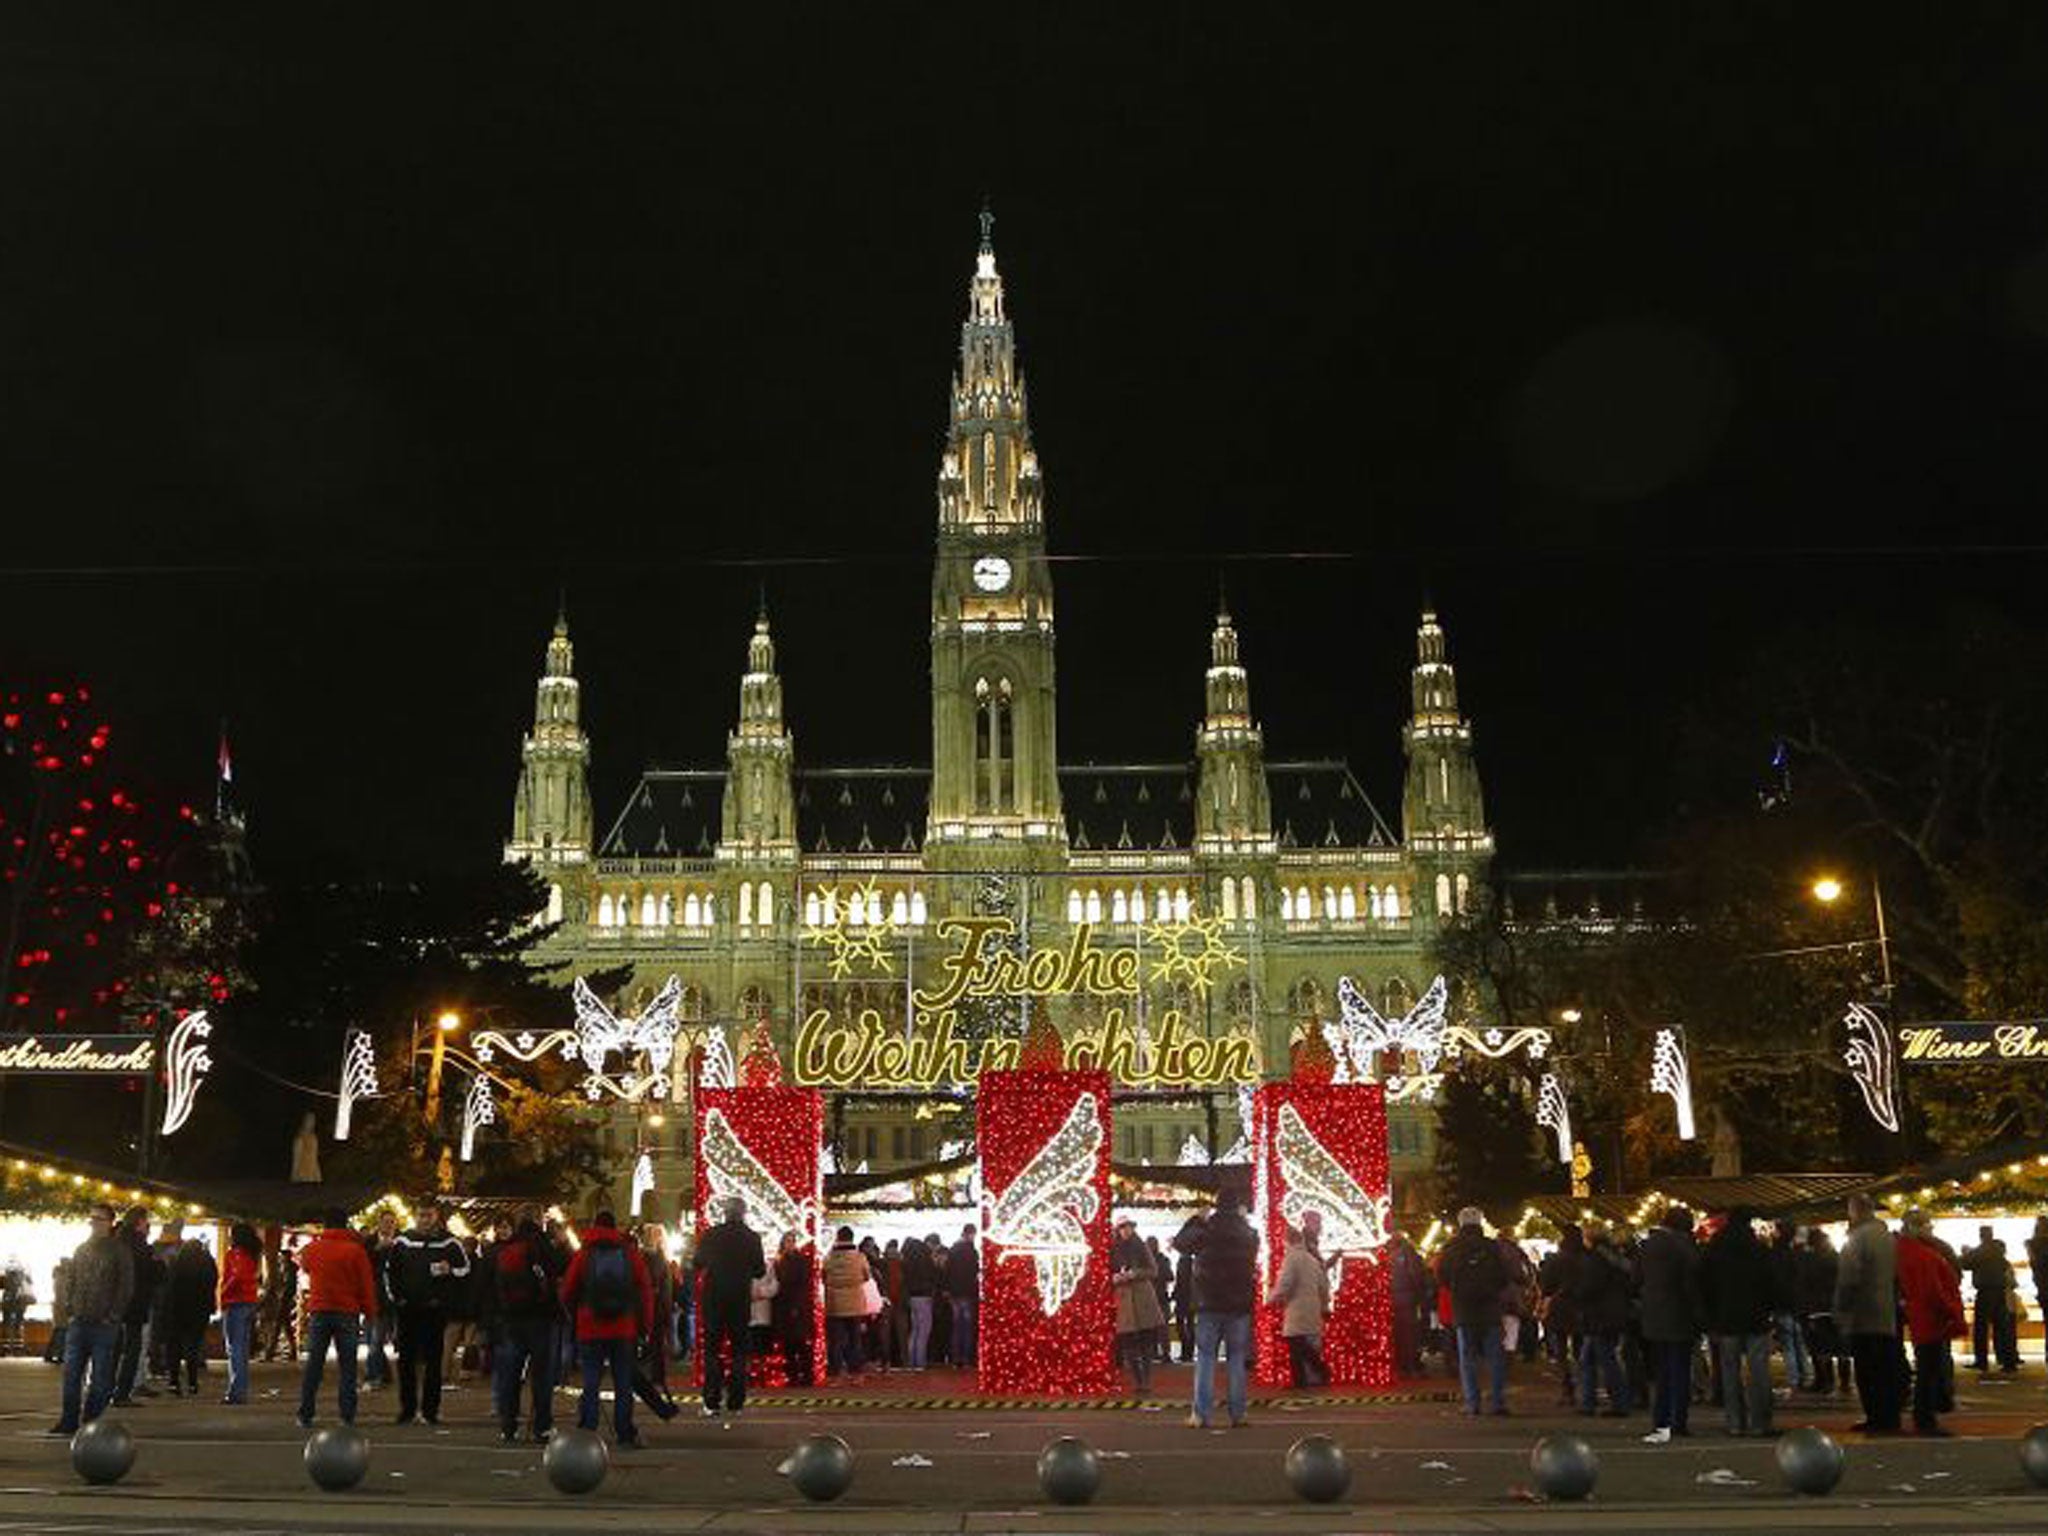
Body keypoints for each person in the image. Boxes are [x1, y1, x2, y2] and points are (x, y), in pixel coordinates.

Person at [560, 1208, 654, 1447]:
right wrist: (645, 1327)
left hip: (590, 1326)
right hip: (623, 1327)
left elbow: (567, 1290)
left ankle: (587, 1429)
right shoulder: (629, 1253)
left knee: (590, 1380)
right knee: (623, 1382)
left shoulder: (584, 1254)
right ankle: (624, 1432)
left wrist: (576, 1315)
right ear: (615, 1228)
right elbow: (645, 1290)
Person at [1174, 1187, 1258, 1429]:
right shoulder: (1248, 1232)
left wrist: (1197, 1219)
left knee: (1206, 1358)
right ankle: (1238, 1413)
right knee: (1236, 1358)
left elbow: (1181, 1244)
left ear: (1217, 1205)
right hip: (1239, 1304)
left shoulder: (1206, 1229)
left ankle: (1201, 1414)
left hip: (1208, 1302)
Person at [49, 1204, 132, 1436]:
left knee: (101, 1380)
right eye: (91, 1218)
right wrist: (70, 1308)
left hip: (104, 1324)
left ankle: (90, 1420)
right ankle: (68, 1421)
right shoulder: (82, 1249)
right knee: (71, 1375)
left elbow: (125, 1286)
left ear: (110, 1223)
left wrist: (113, 1315)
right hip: (79, 1321)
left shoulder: (119, 1251)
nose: (93, 1223)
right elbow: (72, 1279)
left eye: (99, 1219)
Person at [385, 1204, 470, 1426]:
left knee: (434, 1360)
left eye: (428, 1215)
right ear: (415, 1216)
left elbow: (466, 1269)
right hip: (408, 1309)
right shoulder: (402, 1241)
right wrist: (397, 1299)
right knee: (406, 1361)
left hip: (435, 1309)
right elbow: (390, 1271)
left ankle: (430, 1411)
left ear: (436, 1217)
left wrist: (449, 1270)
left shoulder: (450, 1242)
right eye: (421, 1214)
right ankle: (407, 1409)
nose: (424, 1219)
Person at [295, 1209, 378, 1428]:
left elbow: (305, 1267)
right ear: (346, 1225)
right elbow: (366, 1285)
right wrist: (370, 1312)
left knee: (314, 1363)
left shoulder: (313, 1249)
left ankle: (306, 1413)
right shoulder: (356, 1251)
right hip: (347, 1312)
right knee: (348, 1366)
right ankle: (347, 1414)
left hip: (320, 1309)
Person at [1699, 1209, 1776, 1437]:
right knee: (1759, 1370)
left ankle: (1735, 1421)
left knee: (1729, 1371)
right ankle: (1760, 1422)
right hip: (1756, 1317)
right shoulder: (1758, 1249)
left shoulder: (1715, 1249)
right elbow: (1770, 1282)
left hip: (1726, 1318)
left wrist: (1710, 1318)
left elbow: (1706, 1285)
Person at [487, 1213, 561, 1443]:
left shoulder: (508, 1248)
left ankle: (508, 1426)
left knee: (510, 1375)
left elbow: (493, 1284)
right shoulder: (543, 1246)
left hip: (511, 1319)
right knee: (541, 1376)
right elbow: (555, 1276)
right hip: (540, 1319)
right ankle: (542, 1426)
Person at [693, 1196, 767, 1418]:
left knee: (712, 1350)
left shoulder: (712, 1234)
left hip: (714, 1297)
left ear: (725, 1213)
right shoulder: (752, 1238)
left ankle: (711, 1402)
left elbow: (697, 1263)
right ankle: (736, 1402)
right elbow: (759, 1271)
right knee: (739, 1351)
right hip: (739, 1298)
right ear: (744, 1213)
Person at [1896, 1208, 1965, 1436]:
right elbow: (1932, 1290)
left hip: (1921, 1315)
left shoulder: (1907, 1251)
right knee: (1929, 1369)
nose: (1931, 1229)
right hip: (1931, 1318)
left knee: (1927, 1367)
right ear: (1918, 1228)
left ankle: (1925, 1413)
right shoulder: (1923, 1254)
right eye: (1928, 1225)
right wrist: (1950, 1309)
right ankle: (1925, 1417)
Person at [1835, 1193, 1901, 1433]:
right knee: (1885, 1367)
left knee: (1867, 1369)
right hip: (1887, 1312)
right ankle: (1889, 1416)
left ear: (1855, 1210)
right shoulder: (1887, 1237)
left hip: (1864, 1313)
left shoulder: (1858, 1238)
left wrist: (1842, 1310)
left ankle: (1875, 1416)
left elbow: (1849, 1278)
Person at [1435, 1207, 1510, 1417]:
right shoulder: (1492, 1248)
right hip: (1490, 1309)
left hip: (1464, 1309)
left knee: (1467, 1358)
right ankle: (1497, 1402)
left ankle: (1472, 1403)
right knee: (1495, 1357)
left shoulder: (1452, 1248)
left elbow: (1441, 1277)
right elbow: (1504, 1276)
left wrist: (1457, 1289)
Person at [1637, 1206, 1702, 1444]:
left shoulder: (1648, 1245)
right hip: (1679, 1314)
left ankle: (1661, 1419)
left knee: (1662, 1372)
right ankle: (1678, 1420)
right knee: (1679, 1370)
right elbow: (1692, 1280)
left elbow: (1637, 1277)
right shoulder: (1683, 1247)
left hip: (1654, 1314)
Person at [1572, 1228, 1631, 1416]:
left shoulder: (1596, 1261)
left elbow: (1590, 1287)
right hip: (1612, 1314)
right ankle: (1589, 1402)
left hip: (1600, 1316)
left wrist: (1578, 1295)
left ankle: (1618, 1403)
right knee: (1591, 1358)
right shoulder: (1614, 1258)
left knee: (1605, 1359)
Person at [1267, 1223, 1330, 1389]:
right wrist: (1324, 1306)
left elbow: (1285, 1284)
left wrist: (1271, 1299)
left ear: (1287, 1241)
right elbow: (1323, 1285)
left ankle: (1307, 1378)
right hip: (1312, 1308)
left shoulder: (1291, 1259)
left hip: (1297, 1308)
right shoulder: (1311, 1259)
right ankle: (1311, 1376)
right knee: (1304, 1345)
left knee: (1296, 1344)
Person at [108, 1208, 160, 1407]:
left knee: (114, 1349)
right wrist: (159, 1265)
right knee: (132, 1350)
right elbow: (155, 1274)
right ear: (140, 1222)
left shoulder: (116, 1243)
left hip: (115, 1305)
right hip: (136, 1304)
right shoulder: (141, 1246)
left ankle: (106, 1388)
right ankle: (122, 1393)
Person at [1112, 1217, 1166, 1395]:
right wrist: (1115, 1278)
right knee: (1129, 1343)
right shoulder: (1113, 1249)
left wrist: (1135, 1273)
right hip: (1124, 1298)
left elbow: (1153, 1270)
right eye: (1123, 1228)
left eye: (1129, 1227)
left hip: (1143, 1298)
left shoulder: (1140, 1246)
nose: (1126, 1231)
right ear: (1118, 1230)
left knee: (1146, 1342)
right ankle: (1138, 1380)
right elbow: (1108, 1271)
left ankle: (1146, 1380)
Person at [164, 1231, 218, 1397]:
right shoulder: (207, 1262)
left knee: (174, 1345)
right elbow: (212, 1283)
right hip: (199, 1310)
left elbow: (170, 1286)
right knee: (193, 1346)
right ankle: (193, 1382)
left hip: (178, 1309)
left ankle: (174, 1381)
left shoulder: (178, 1262)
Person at [1961, 1224, 2019, 1373]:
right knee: (2003, 1328)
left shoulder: (1981, 1251)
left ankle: (1981, 1361)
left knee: (1981, 1328)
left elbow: (1965, 1264)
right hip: (2000, 1292)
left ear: (1981, 1235)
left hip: (1985, 1291)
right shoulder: (1998, 1251)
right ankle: (2009, 1362)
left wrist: (1965, 1253)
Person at [1537, 1226, 1585, 1404]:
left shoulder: (1557, 1260)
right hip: (1581, 1307)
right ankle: (1585, 1388)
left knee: (1561, 1350)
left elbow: (1546, 1284)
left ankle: (1567, 1389)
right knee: (1582, 1350)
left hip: (1560, 1308)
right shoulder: (1585, 1258)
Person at [1800, 1227, 1848, 1394]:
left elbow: (1805, 1284)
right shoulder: (1837, 1257)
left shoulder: (1809, 1260)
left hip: (1818, 1309)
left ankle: (1827, 1382)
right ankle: (1845, 1382)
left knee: (1823, 1348)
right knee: (1842, 1347)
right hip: (1838, 1307)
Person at [217, 1223, 261, 1405]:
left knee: (235, 1348)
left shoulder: (235, 1254)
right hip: (248, 1301)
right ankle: (239, 1389)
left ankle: (236, 1391)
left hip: (235, 1302)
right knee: (240, 1347)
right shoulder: (252, 1254)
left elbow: (237, 1275)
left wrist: (223, 1292)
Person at [823, 1226, 872, 1378]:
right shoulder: (859, 1257)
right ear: (852, 1238)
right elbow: (866, 1276)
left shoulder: (829, 1257)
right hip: (855, 1303)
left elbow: (823, 1277)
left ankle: (835, 1372)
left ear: (838, 1237)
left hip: (834, 1304)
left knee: (835, 1340)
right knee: (855, 1340)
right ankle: (855, 1372)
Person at [1768, 1219, 1812, 1390]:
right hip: (1798, 1304)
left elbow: (1775, 1281)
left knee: (1788, 1343)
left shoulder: (1775, 1254)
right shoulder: (1798, 1253)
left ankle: (1794, 1378)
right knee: (1800, 1341)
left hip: (1782, 1304)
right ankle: (1807, 1375)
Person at [361, 1210, 399, 1389]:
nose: (389, 1225)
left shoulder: (401, 1242)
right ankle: (373, 1376)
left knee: (385, 1339)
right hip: (375, 1297)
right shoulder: (369, 1243)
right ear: (379, 1222)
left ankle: (383, 1374)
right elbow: (363, 1266)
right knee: (374, 1340)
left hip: (397, 1298)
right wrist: (378, 1250)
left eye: (392, 1222)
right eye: (386, 1222)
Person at [771, 1231, 813, 1385]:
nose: (789, 1244)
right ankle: (794, 1375)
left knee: (799, 1342)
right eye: (786, 1241)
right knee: (789, 1343)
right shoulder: (780, 1261)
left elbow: (800, 1284)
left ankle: (805, 1375)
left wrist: (796, 1305)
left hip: (795, 1305)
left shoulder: (799, 1261)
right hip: (784, 1306)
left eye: (791, 1241)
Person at [1387, 1230, 1429, 1376]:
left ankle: (1402, 1366)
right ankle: (1411, 1365)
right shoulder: (1408, 1253)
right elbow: (1416, 1274)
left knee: (1398, 1333)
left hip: (1391, 1298)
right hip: (1408, 1298)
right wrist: (1421, 1294)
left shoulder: (1386, 1255)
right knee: (1410, 1333)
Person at [902, 1229, 937, 1369]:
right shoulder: (925, 1257)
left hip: (912, 1296)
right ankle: (921, 1362)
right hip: (924, 1295)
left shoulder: (910, 1256)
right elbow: (932, 1275)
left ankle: (912, 1361)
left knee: (915, 1330)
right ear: (931, 1243)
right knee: (924, 1330)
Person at [945, 1225, 978, 1368]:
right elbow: (974, 1271)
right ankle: (965, 1358)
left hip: (954, 1293)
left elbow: (947, 1271)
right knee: (966, 1327)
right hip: (967, 1292)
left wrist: (948, 1289)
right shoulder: (971, 1250)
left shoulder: (953, 1249)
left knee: (956, 1326)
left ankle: (955, 1358)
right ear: (970, 1234)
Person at [1147, 1236, 1173, 1363]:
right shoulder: (1163, 1260)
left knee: (1150, 1327)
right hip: (1161, 1297)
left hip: (1149, 1297)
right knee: (1162, 1328)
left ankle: (1153, 1352)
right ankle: (1164, 1353)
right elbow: (1170, 1276)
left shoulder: (1144, 1261)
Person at [45, 1255, 73, 1363]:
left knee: (58, 1331)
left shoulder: (58, 1276)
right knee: (62, 1332)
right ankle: (60, 1355)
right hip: (62, 1308)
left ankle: (50, 1354)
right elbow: (63, 1295)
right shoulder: (63, 1277)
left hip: (58, 1307)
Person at [1172, 1243, 1196, 1364]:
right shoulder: (1194, 1262)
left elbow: (1180, 1281)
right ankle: (1189, 1352)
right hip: (1192, 1299)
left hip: (1183, 1299)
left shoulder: (1182, 1262)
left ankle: (1185, 1351)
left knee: (1181, 1324)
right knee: (1190, 1325)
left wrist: (1174, 1295)